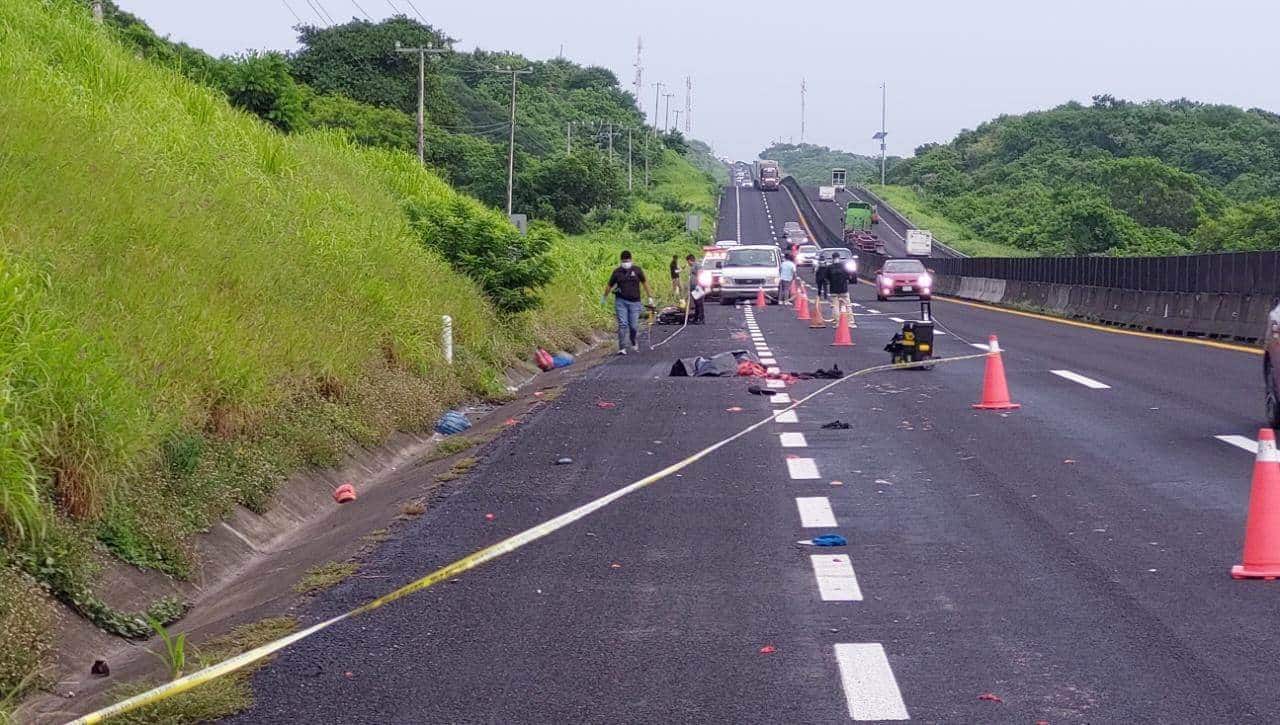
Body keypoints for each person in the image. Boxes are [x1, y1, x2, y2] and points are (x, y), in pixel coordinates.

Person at [602, 250, 653, 355]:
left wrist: (650, 297)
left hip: (635, 302)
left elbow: (645, 283)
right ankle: (622, 348)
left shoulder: (637, 270)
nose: (626, 262)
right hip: (621, 302)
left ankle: (633, 340)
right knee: (623, 324)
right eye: (624, 261)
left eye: (627, 260)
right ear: (621, 261)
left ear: (631, 260)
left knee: (633, 326)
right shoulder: (617, 272)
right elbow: (609, 285)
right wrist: (604, 297)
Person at [826, 253, 852, 318]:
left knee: (835, 306)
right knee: (847, 306)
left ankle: (837, 322)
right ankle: (850, 321)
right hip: (843, 289)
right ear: (839, 258)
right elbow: (849, 276)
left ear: (832, 258)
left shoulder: (829, 267)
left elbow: (826, 278)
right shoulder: (844, 266)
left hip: (833, 290)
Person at [685, 254, 705, 324]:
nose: (688, 263)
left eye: (688, 262)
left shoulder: (697, 265)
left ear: (690, 260)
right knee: (696, 303)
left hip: (698, 287)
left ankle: (701, 319)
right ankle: (696, 318)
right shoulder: (693, 266)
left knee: (699, 303)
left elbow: (700, 275)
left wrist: (698, 285)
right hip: (694, 287)